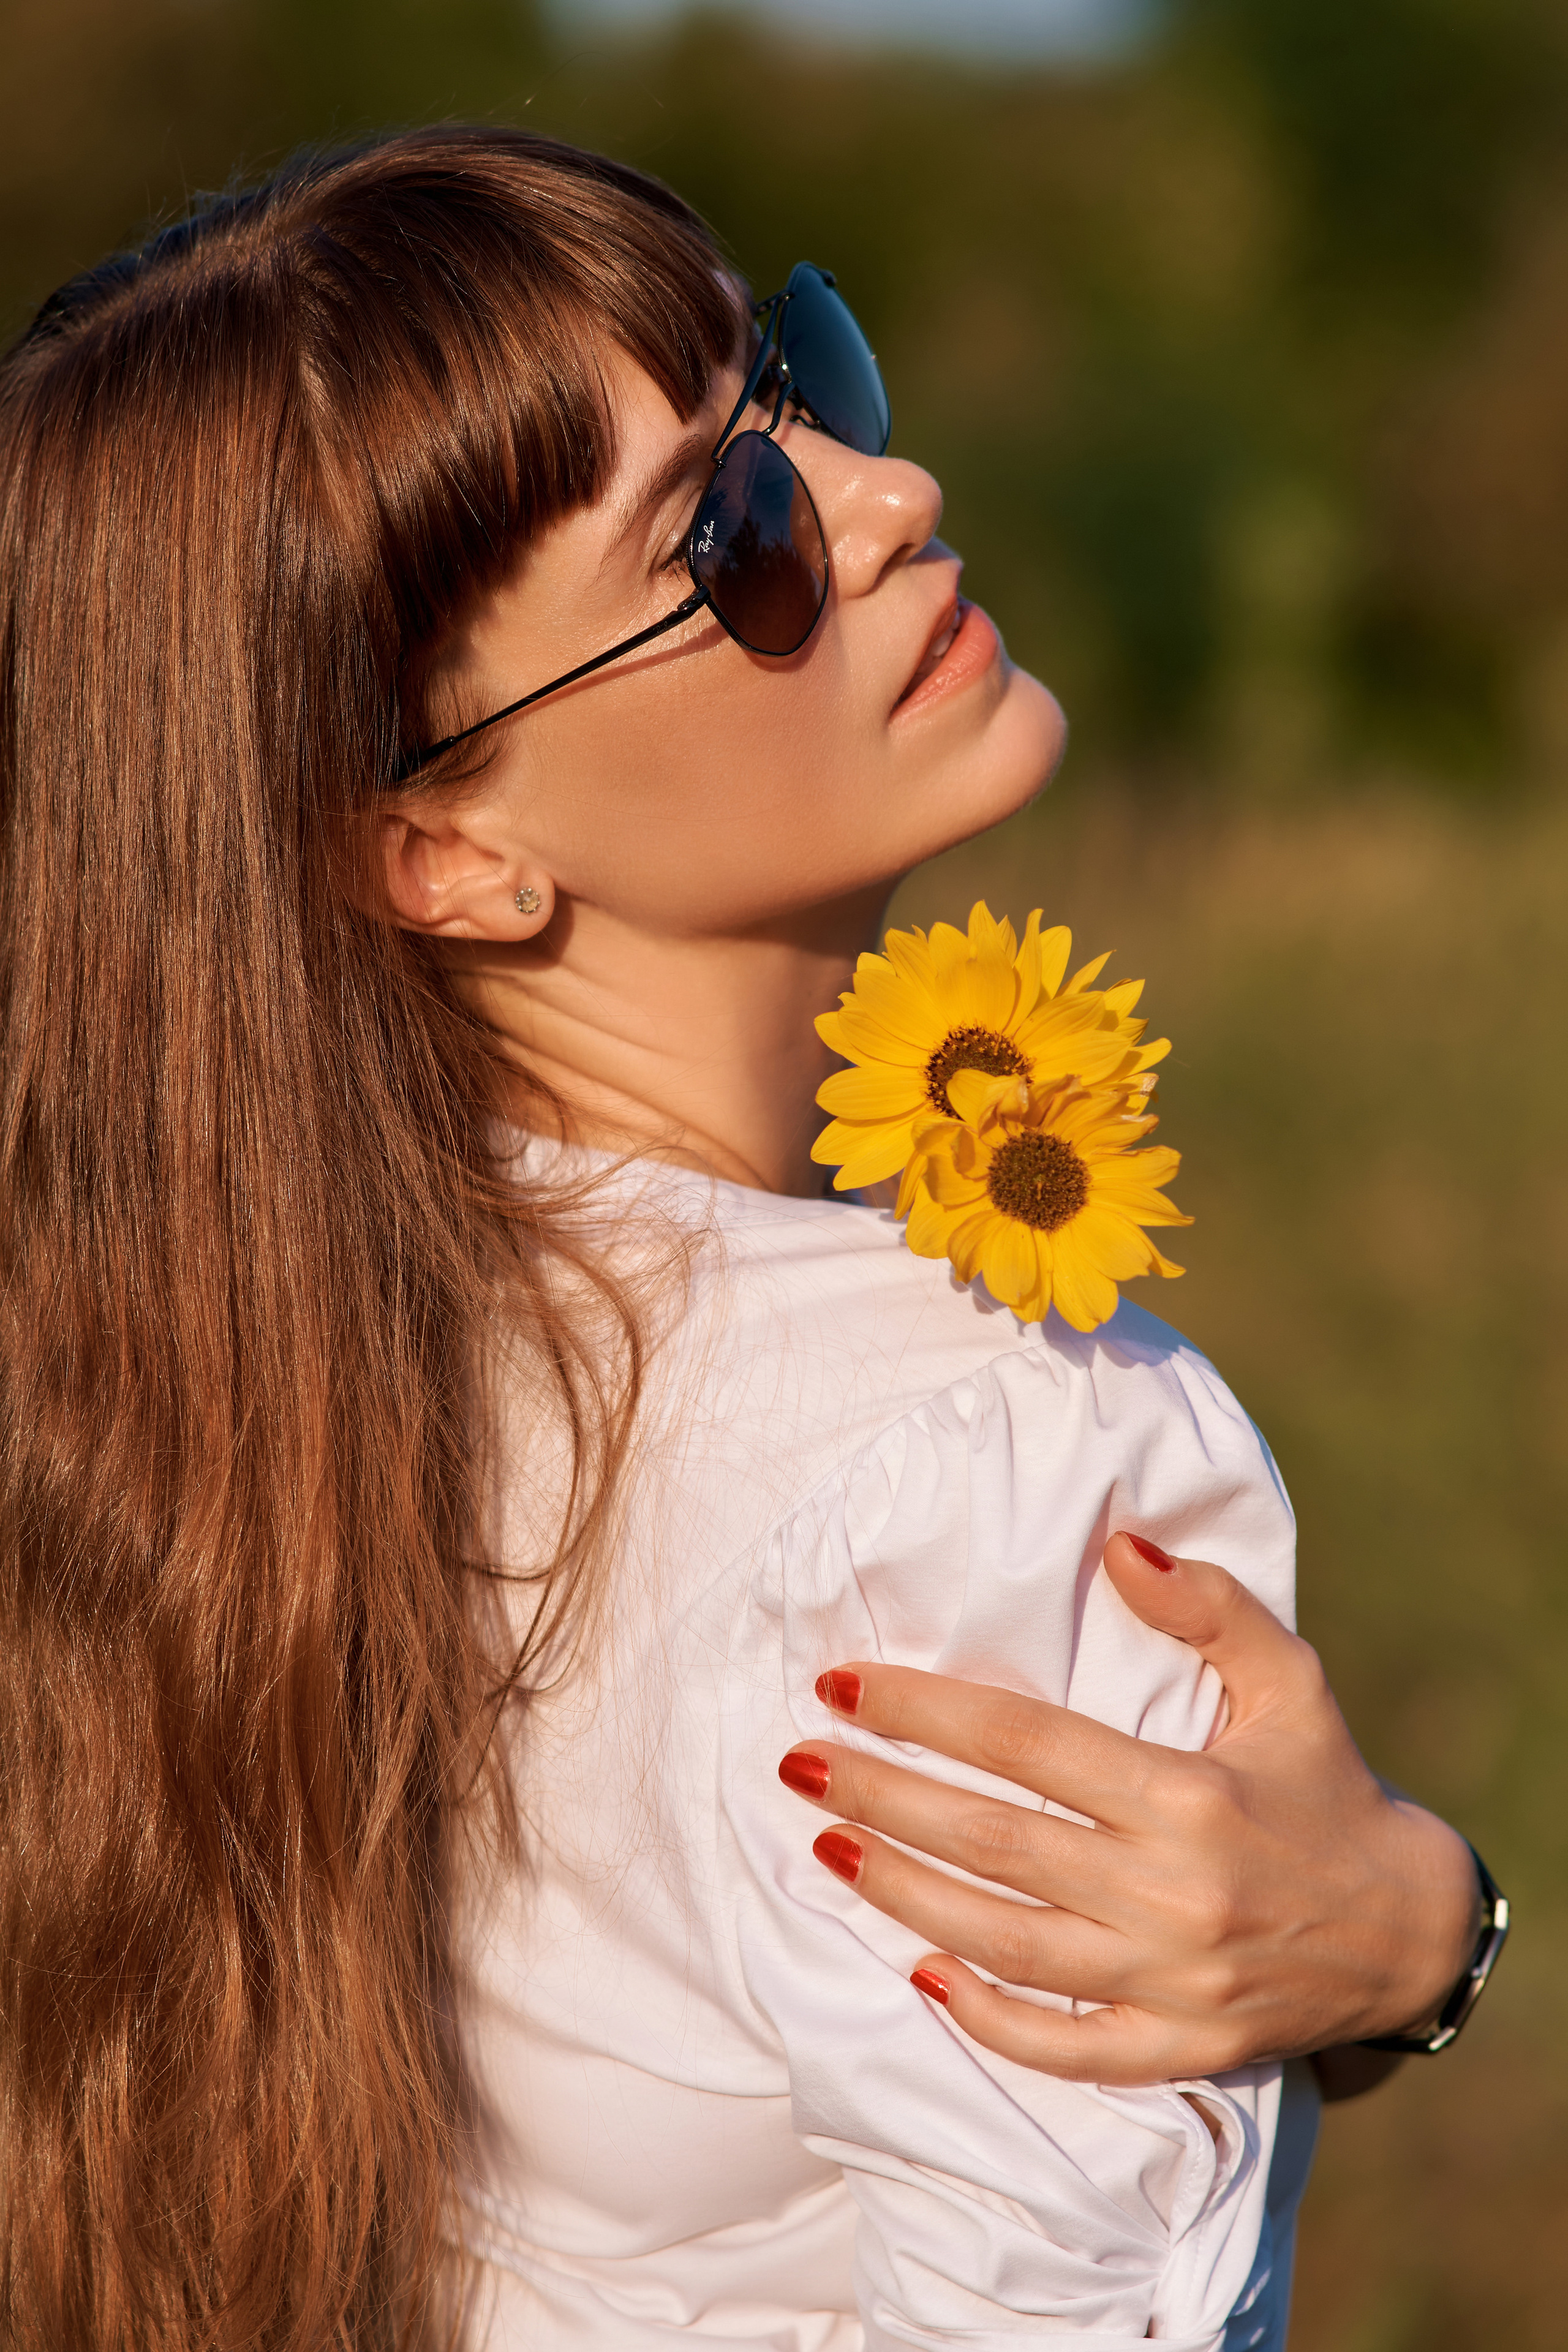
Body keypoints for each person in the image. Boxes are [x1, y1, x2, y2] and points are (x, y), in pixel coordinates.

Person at [0, 127, 1489, 2352]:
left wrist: (1377, 1959)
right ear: (440, 853)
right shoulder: (971, 1463)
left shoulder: (232, 1386)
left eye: (800, 381)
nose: (887, 499)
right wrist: (1428, 1927)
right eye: (727, 533)